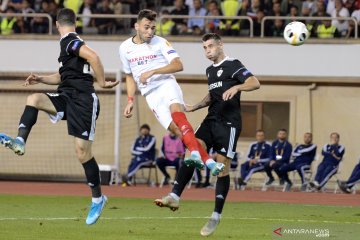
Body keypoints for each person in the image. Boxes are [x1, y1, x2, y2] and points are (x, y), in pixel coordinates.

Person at [0, 8, 119, 225]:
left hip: (84, 101)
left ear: (56, 24)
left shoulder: (70, 41)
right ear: (75, 22)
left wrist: (101, 82)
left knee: (82, 153)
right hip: (67, 96)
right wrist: (41, 79)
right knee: (35, 99)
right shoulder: (68, 46)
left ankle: (98, 199)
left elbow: (93, 56)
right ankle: (20, 141)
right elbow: (62, 76)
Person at [154, 33, 260, 237]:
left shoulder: (233, 64)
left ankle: (216, 215)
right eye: (204, 47)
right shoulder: (210, 70)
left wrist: (237, 86)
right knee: (191, 149)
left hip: (229, 124)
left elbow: (254, 82)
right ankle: (175, 195)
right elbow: (213, 94)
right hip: (211, 120)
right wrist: (195, 106)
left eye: (211, 46)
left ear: (220, 45)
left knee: (222, 168)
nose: (207, 50)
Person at [119, 9, 224, 175]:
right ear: (136, 26)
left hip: (166, 83)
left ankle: (195, 154)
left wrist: (153, 71)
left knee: (176, 112)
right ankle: (210, 163)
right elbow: (129, 76)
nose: (150, 31)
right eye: (146, 27)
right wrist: (130, 99)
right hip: (150, 94)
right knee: (176, 130)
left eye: (153, 28)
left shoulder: (161, 42)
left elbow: (178, 65)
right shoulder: (124, 47)